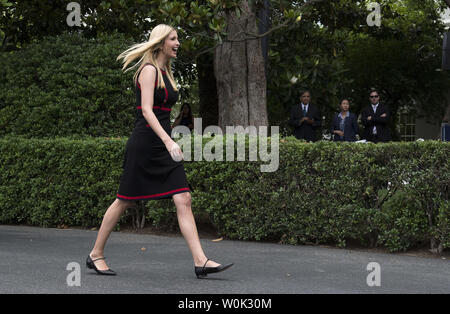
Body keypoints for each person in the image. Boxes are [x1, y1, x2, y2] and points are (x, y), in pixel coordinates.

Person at [86, 24, 233, 278]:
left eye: (178, 39)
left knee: (183, 198)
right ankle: (95, 254)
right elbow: (146, 110)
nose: (178, 43)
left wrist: (171, 138)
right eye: (173, 39)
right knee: (124, 200)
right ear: (161, 42)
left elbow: (164, 114)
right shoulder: (149, 70)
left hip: (163, 141)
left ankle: (201, 260)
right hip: (145, 143)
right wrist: (169, 141)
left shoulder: (167, 72)